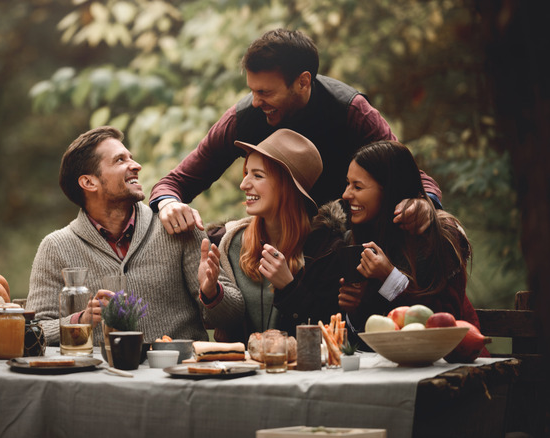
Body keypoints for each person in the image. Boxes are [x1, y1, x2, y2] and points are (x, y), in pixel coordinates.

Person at [150, 28, 440, 236]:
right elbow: (174, 183)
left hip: (350, 243)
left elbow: (416, 179)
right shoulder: (242, 119)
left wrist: (423, 204)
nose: (255, 101)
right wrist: (168, 204)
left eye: (265, 92)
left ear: (303, 82)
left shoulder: (351, 111)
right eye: (251, 90)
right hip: (279, 244)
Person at [25, 126, 209, 345]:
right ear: (89, 182)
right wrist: (81, 320)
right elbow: (33, 331)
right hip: (100, 376)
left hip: (177, 374)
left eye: (130, 157)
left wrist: (212, 293)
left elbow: (231, 315)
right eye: (120, 160)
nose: (136, 165)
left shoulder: (178, 224)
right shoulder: (55, 247)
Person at [197, 129, 340, 343]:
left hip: (300, 372)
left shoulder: (326, 249)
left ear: (287, 186)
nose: (244, 184)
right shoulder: (228, 244)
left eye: (257, 175)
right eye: (246, 173)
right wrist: (211, 293)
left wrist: (290, 288)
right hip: (240, 373)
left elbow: (330, 333)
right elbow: (226, 322)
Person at [327, 140, 480, 337]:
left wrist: (389, 277)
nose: (346, 194)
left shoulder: (442, 235)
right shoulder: (357, 237)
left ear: (388, 189)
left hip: (451, 360)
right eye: (348, 184)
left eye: (357, 187)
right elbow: (368, 335)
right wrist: (356, 308)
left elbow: (443, 320)